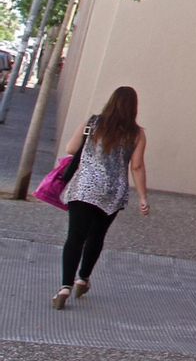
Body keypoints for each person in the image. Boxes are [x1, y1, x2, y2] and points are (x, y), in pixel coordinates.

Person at [52, 85, 149, 309]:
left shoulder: (93, 123)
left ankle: (65, 286)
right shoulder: (136, 133)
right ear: (133, 107)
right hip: (112, 191)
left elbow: (70, 148)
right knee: (97, 236)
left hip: (84, 187)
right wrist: (143, 197)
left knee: (75, 237)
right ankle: (82, 278)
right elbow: (137, 166)